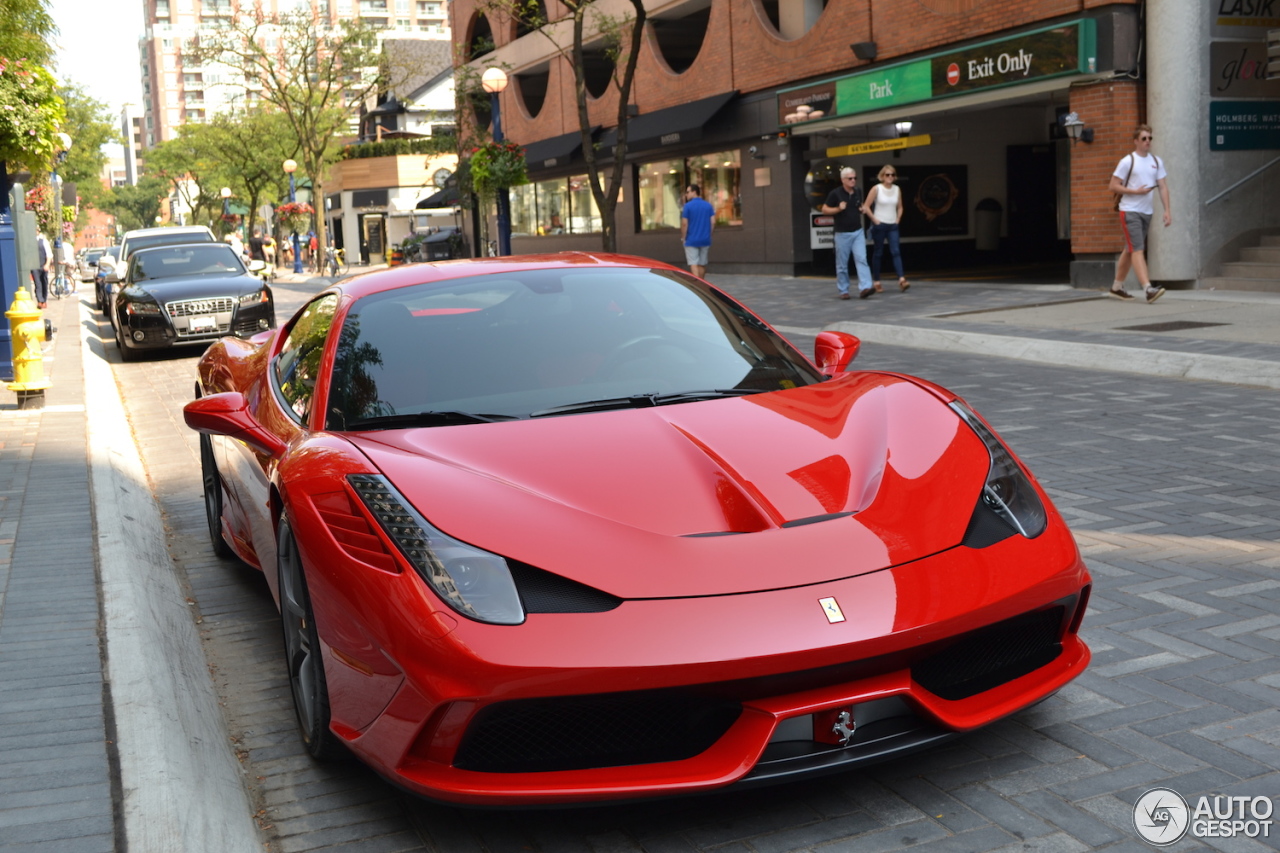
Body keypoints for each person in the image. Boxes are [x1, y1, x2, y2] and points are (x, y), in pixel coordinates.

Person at [1109, 124, 1170, 303]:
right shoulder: (1128, 161)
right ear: (1136, 141)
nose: (1147, 142)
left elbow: (1163, 187)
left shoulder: (1156, 161)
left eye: (1150, 138)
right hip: (1129, 211)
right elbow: (1113, 185)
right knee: (1137, 249)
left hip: (1146, 212)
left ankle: (1116, 287)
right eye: (1144, 138)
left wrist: (1167, 210)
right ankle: (1148, 289)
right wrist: (1135, 191)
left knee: (1130, 249)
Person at [821, 167, 875, 299]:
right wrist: (838, 208)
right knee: (842, 264)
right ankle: (843, 290)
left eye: (854, 178)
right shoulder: (835, 193)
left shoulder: (857, 191)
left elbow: (858, 205)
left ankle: (865, 287)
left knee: (861, 258)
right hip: (842, 233)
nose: (853, 181)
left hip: (857, 231)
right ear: (843, 180)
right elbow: (824, 209)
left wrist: (861, 209)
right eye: (850, 178)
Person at [863, 165, 908, 292]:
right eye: (887, 174)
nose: (890, 177)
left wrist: (898, 219)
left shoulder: (897, 189)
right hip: (880, 225)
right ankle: (877, 281)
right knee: (878, 252)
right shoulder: (876, 189)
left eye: (892, 174)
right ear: (882, 176)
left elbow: (900, 206)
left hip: (893, 225)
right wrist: (874, 220)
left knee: (896, 251)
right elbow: (866, 206)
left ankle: (901, 279)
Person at [680, 184, 715, 278]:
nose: (686, 194)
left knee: (693, 263)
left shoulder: (687, 206)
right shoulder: (708, 205)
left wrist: (683, 238)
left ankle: (698, 285)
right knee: (702, 264)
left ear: (694, 192)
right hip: (705, 239)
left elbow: (684, 224)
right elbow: (713, 222)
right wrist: (709, 235)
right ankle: (702, 283)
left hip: (691, 239)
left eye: (688, 192)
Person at [32, 232, 52, 308]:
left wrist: (47, 264)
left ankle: (44, 300)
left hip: (43, 265)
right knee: (37, 284)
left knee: (44, 283)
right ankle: (40, 301)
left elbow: (49, 254)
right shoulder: (30, 242)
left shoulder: (43, 241)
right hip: (34, 266)